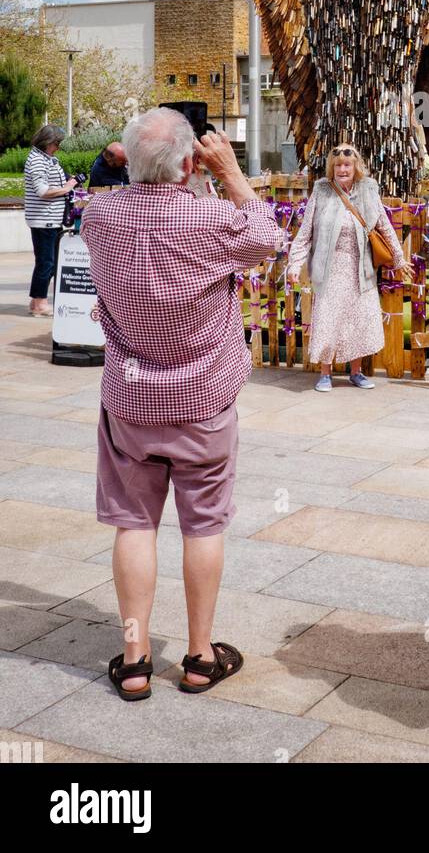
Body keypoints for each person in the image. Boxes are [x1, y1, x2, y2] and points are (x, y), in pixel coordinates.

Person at [81, 107, 283, 700]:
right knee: (203, 523)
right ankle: (199, 655)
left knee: (132, 522)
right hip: (204, 399)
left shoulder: (100, 218)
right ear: (191, 162)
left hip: (131, 398)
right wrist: (233, 175)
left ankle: (136, 656)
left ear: (126, 159)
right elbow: (270, 239)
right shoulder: (213, 218)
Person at [285, 142, 410, 392]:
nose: (342, 169)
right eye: (338, 165)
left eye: (347, 165)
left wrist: (399, 258)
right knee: (328, 320)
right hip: (330, 270)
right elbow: (305, 232)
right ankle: (325, 373)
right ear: (332, 168)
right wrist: (295, 263)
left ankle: (356, 372)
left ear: (355, 167)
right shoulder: (322, 191)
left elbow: (384, 226)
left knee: (358, 320)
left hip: (360, 268)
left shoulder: (367, 190)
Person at [23, 124, 77, 317]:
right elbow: (42, 191)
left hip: (49, 219)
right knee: (47, 263)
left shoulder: (47, 158)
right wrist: (67, 187)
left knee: (48, 262)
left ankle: (36, 300)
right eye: (57, 143)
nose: (58, 147)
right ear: (47, 143)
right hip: (43, 220)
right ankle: (40, 304)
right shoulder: (38, 160)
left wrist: (68, 182)